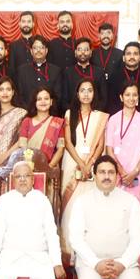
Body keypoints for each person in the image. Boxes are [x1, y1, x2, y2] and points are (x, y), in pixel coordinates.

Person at [60, 80, 107, 256]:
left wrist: (91, 163)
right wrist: (81, 163)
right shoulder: (69, 114)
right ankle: (69, 252)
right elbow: (68, 142)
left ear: (94, 94)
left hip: (92, 164)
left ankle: (88, 252)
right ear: (77, 94)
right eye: (82, 90)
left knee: (89, 207)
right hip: (72, 162)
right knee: (71, 207)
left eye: (89, 90)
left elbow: (101, 144)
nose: (86, 94)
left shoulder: (100, 117)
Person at [106, 82, 140, 209]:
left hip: (138, 173)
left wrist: (134, 173)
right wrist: (122, 172)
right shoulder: (113, 119)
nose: (131, 98)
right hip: (117, 172)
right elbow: (109, 149)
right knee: (116, 209)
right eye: (127, 95)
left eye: (134, 95)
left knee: (135, 209)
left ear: (138, 97)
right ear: (121, 97)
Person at [0, 76, 27, 224]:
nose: (5, 93)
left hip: (10, 164)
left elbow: (21, 140)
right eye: (1, 89)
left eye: (8, 89)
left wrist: (3, 157)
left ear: (13, 92)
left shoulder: (21, 113)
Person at [18, 86, 65, 168]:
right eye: (39, 99)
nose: (43, 101)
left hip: (49, 167)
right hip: (28, 167)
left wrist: (49, 167)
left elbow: (61, 149)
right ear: (35, 102)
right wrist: (29, 166)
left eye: (46, 98)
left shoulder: (57, 123)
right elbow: (22, 146)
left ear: (51, 102)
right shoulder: (27, 121)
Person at [107, 42, 140, 116]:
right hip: (120, 119)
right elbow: (111, 104)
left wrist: (138, 117)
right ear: (123, 58)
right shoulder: (114, 78)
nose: (132, 57)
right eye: (128, 54)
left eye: (135, 54)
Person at [16, 35, 63, 113]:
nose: (38, 50)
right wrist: (29, 112)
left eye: (41, 47)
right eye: (35, 48)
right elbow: (20, 97)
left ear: (46, 50)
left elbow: (57, 97)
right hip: (27, 114)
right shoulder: (22, 70)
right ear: (31, 51)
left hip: (49, 114)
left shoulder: (56, 71)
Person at [62, 37, 107, 111]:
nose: (83, 52)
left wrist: (94, 113)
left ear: (91, 52)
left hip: (94, 114)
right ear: (75, 52)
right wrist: (74, 112)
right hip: (74, 113)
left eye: (86, 49)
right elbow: (64, 100)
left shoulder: (99, 72)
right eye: (79, 49)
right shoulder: (68, 72)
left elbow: (103, 99)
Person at [8, 11, 35, 81]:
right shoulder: (13, 45)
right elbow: (11, 69)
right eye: (23, 21)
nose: (26, 24)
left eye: (29, 21)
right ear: (19, 24)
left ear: (33, 24)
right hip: (19, 83)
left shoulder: (39, 43)